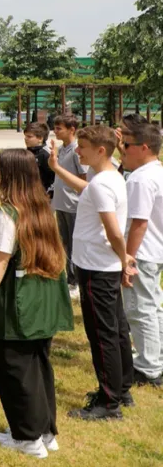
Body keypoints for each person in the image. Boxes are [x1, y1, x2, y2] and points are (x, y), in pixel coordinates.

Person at [0, 149, 73, 459]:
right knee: (38, 366)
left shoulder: (8, 213)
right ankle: (45, 431)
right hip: (40, 302)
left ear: (9, 175)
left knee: (14, 370)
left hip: (16, 305)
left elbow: (0, 260)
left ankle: (27, 437)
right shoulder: (40, 207)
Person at [51, 124, 134, 420]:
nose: (78, 151)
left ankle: (108, 403)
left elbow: (113, 230)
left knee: (102, 335)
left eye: (83, 148)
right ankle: (122, 389)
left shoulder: (102, 184)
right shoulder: (108, 177)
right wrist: (57, 168)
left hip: (96, 267)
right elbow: (87, 190)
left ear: (100, 150)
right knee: (117, 328)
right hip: (102, 265)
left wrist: (124, 258)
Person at [120, 120, 163, 388]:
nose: (122, 150)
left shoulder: (140, 179)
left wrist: (128, 259)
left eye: (126, 145)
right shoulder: (157, 172)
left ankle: (148, 367)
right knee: (153, 307)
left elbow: (139, 223)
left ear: (144, 147)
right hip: (154, 250)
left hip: (142, 252)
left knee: (140, 310)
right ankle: (156, 358)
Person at [50, 114, 86, 300]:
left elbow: (84, 180)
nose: (55, 131)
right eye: (55, 128)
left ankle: (76, 283)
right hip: (61, 204)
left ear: (72, 129)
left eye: (59, 128)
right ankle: (70, 279)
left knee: (74, 245)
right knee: (65, 244)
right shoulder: (62, 149)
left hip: (73, 205)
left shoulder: (77, 151)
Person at [24, 123, 56, 195]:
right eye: (25, 136)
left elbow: (55, 176)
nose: (25, 139)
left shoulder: (47, 154)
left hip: (43, 193)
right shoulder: (27, 151)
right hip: (29, 192)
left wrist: (48, 193)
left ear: (40, 138)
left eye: (29, 136)